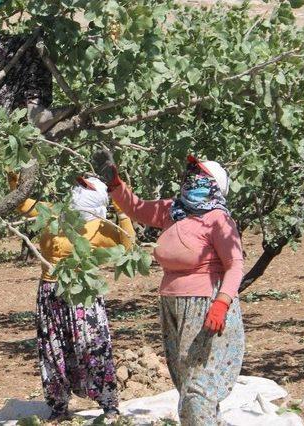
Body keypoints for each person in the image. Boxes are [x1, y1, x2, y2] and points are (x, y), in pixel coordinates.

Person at [92, 150, 245, 425]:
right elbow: (137, 208)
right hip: (172, 304)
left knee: (199, 385)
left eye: (200, 175)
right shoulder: (172, 210)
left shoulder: (218, 220)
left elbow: (235, 265)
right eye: (192, 174)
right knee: (185, 377)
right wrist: (115, 185)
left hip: (204, 305)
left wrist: (221, 303)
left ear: (214, 186)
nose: (193, 179)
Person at [9, 171, 136, 421]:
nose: (77, 192)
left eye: (85, 189)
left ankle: (108, 405)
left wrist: (123, 211)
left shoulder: (100, 227)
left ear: (96, 198)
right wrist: (16, 180)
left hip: (82, 295)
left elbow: (128, 246)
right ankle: (58, 407)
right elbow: (23, 205)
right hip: (50, 292)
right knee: (53, 350)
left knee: (91, 347)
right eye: (78, 187)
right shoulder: (55, 212)